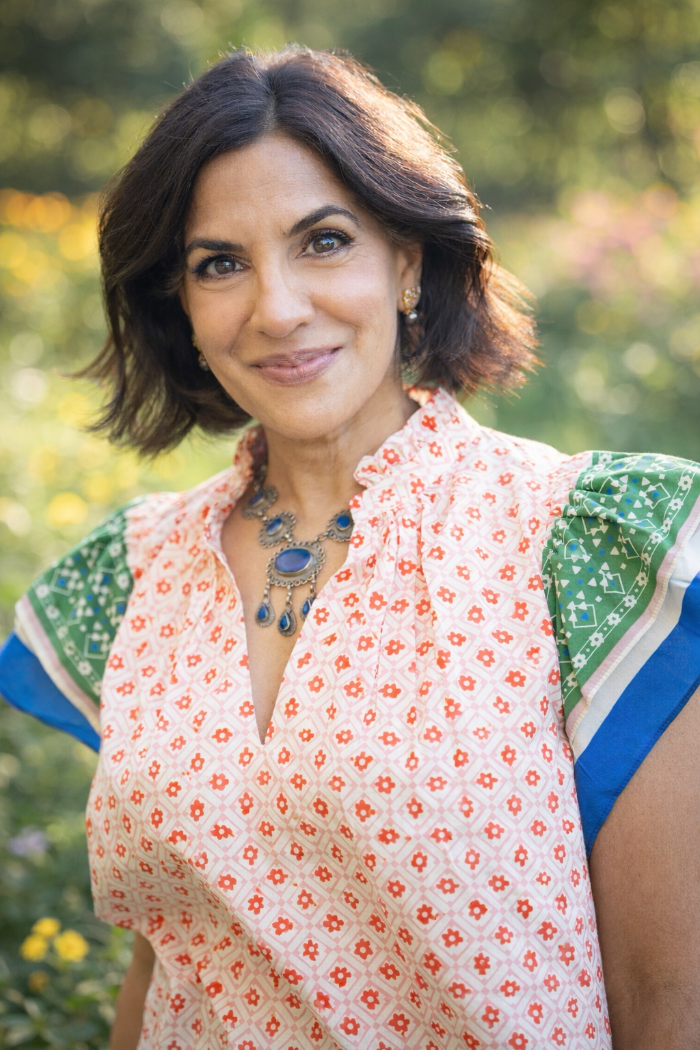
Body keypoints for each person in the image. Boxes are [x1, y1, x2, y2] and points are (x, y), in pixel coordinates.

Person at [1, 45, 699, 1050]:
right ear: (182, 309)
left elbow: (668, 989)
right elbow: (170, 952)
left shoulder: (581, 546)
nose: (276, 308)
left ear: (406, 261)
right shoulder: (134, 573)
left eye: (322, 242)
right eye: (220, 264)